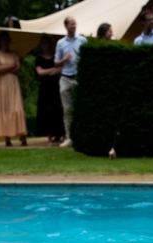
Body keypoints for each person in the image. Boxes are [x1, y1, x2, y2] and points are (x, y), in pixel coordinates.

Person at [54, 17, 87, 148]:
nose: (74, 26)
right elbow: (56, 63)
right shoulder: (60, 43)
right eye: (72, 24)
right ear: (66, 26)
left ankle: (81, 135)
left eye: (75, 24)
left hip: (78, 76)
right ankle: (69, 137)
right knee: (67, 109)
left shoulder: (83, 40)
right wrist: (64, 59)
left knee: (80, 107)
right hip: (65, 77)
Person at [0, 31, 28, 147]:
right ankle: (7, 138)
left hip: (13, 84)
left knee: (16, 106)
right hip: (1, 85)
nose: (5, 43)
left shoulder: (14, 54)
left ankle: (22, 136)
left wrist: (5, 67)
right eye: (3, 40)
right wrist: (12, 65)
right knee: (4, 106)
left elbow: (18, 69)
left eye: (7, 40)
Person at [35, 35, 65, 146]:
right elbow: (40, 72)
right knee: (45, 112)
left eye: (46, 42)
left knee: (57, 110)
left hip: (55, 86)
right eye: (42, 43)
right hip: (44, 88)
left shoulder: (55, 58)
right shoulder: (39, 59)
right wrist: (52, 70)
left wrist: (46, 71)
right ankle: (49, 137)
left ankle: (60, 134)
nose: (45, 45)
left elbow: (59, 70)